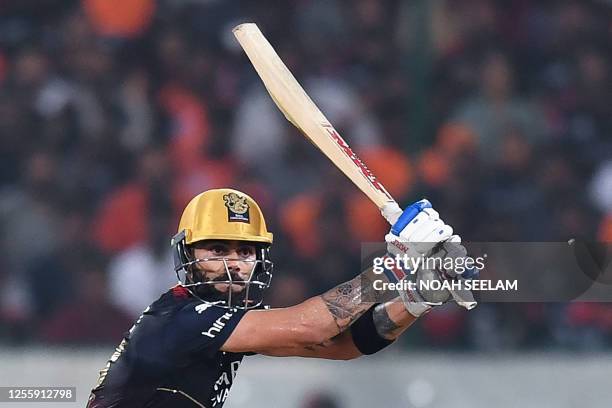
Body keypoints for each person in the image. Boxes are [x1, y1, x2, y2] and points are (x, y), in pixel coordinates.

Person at [87, 188, 477, 407]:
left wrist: (416, 297)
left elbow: (342, 344)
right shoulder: (183, 317)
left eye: (244, 251)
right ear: (188, 255)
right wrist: (397, 262)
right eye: (218, 250)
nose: (235, 264)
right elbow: (315, 324)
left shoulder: (223, 323)